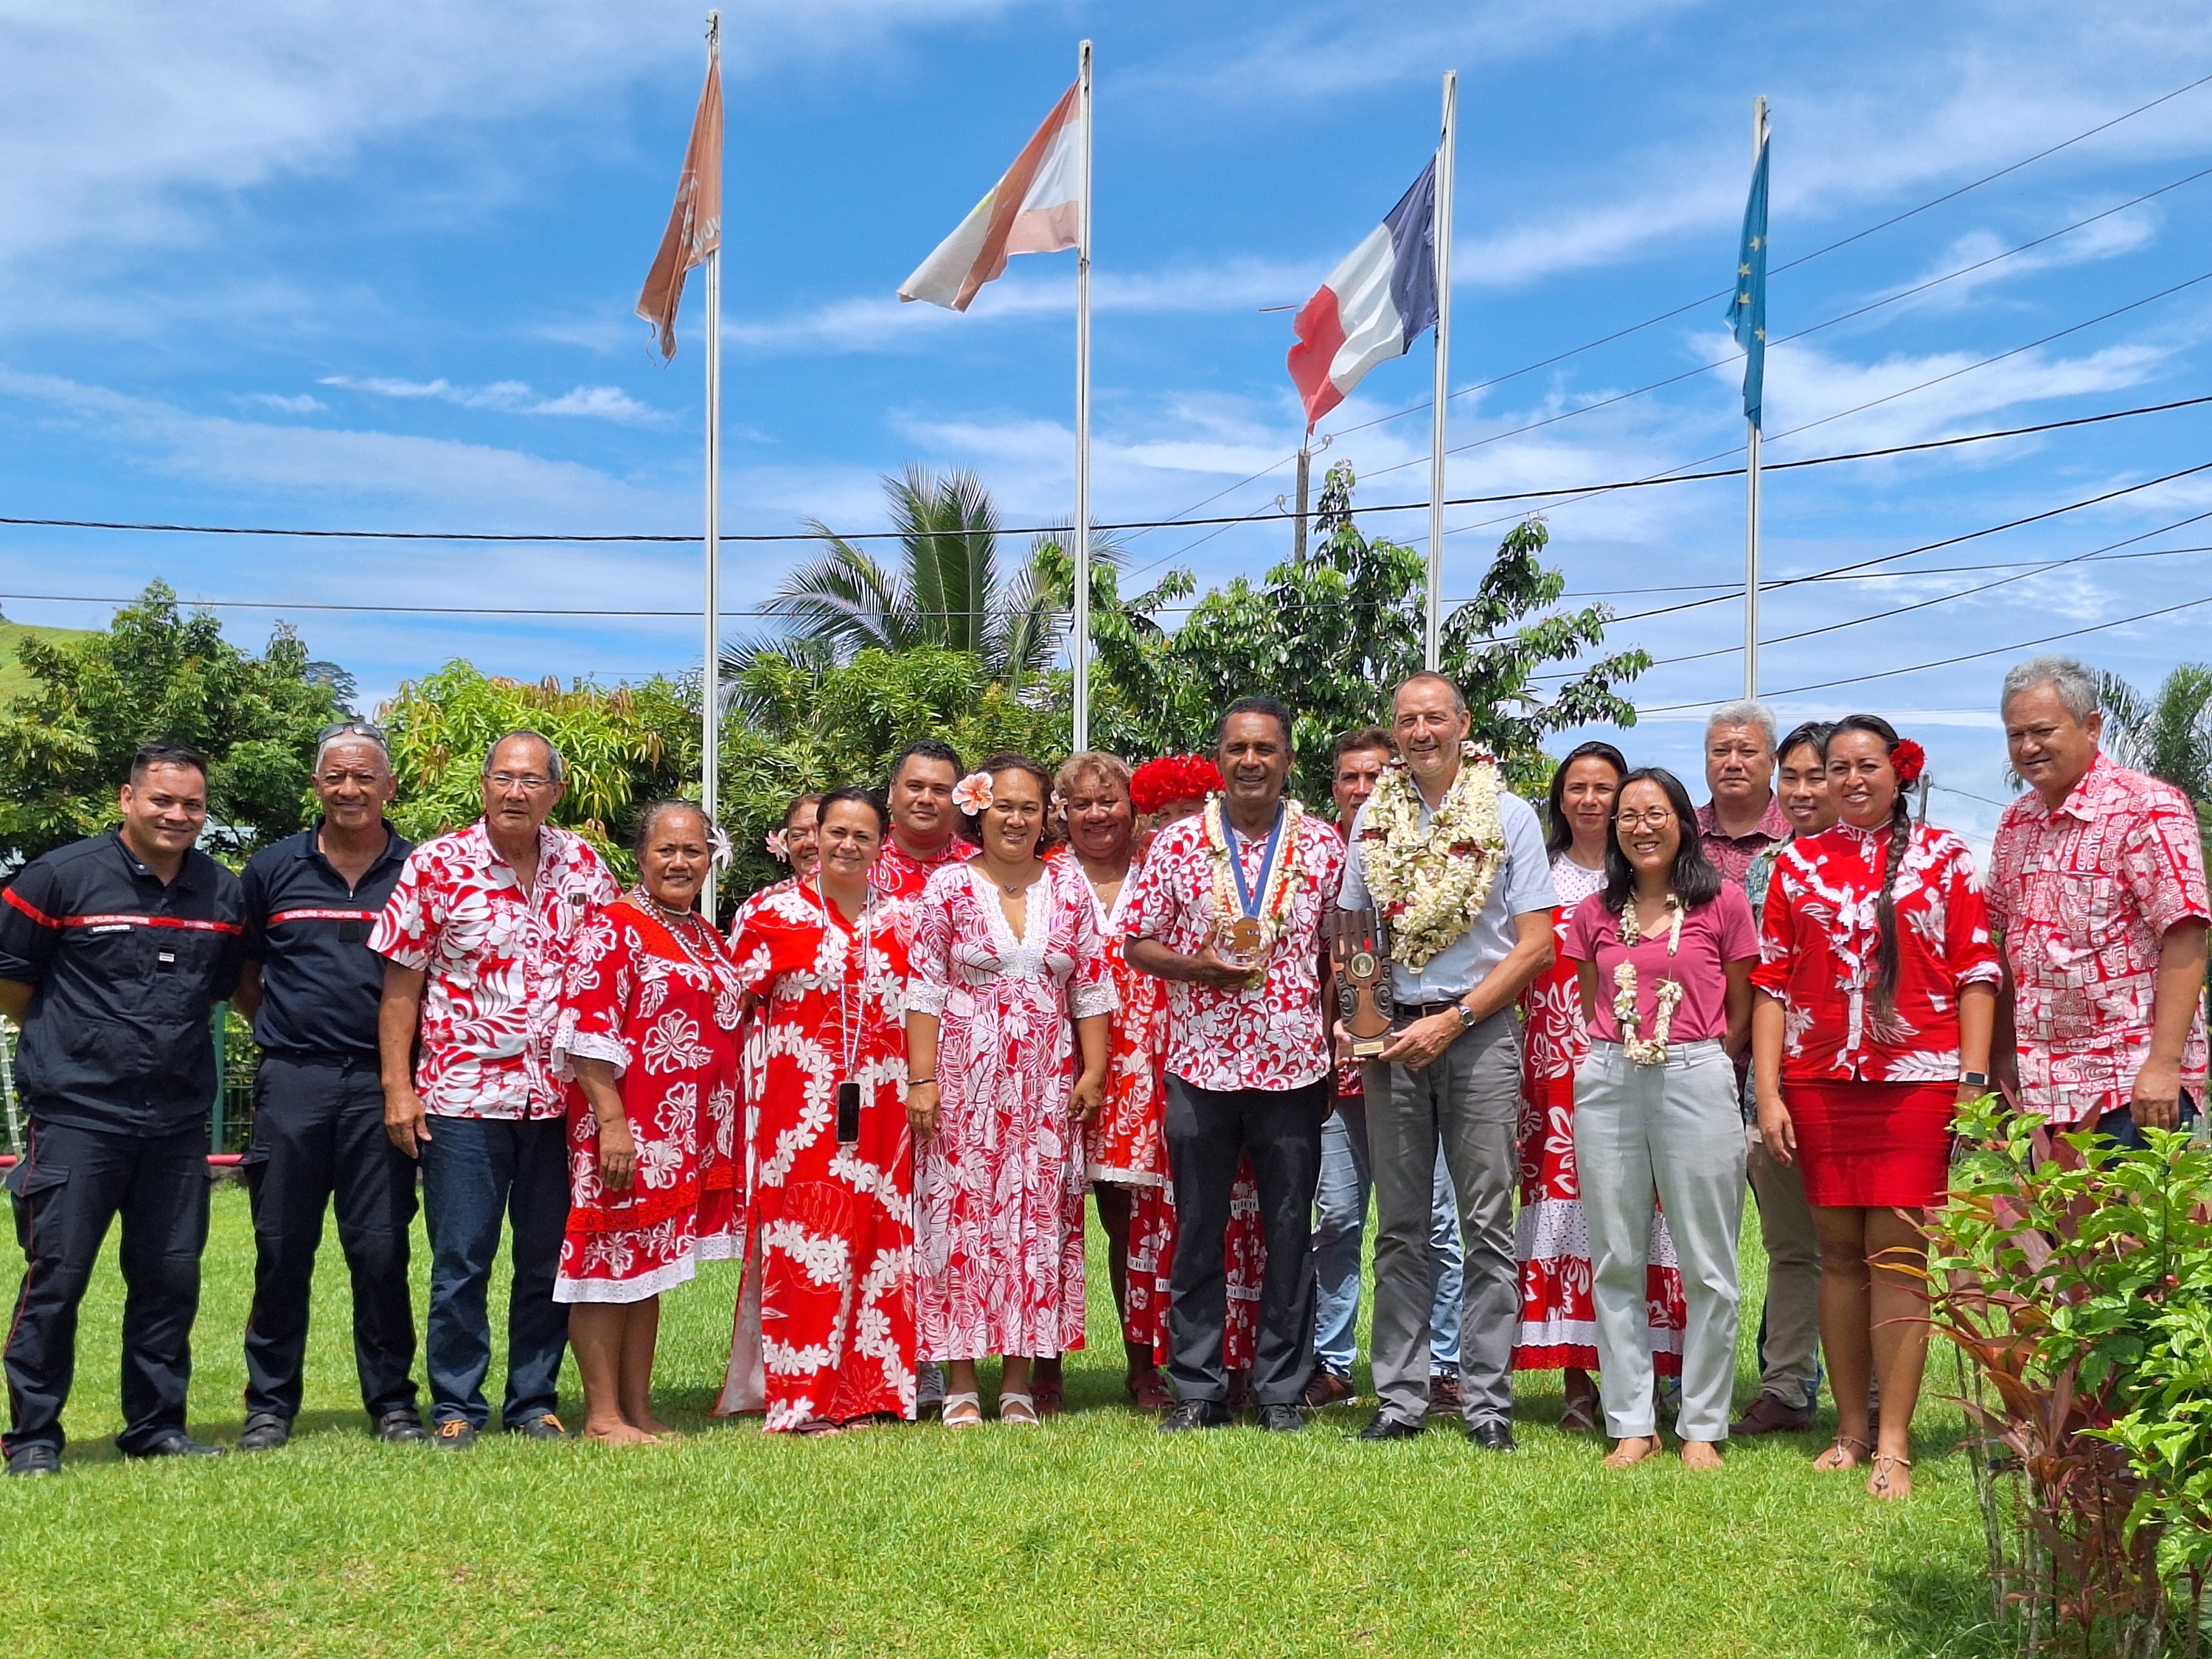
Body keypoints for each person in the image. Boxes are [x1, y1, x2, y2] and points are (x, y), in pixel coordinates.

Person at [1753, 715, 2000, 1500]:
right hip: (1818, 1081)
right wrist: (1768, 1091)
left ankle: (1894, 1440)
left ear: (1899, 771)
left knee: (1898, 1256)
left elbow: (1977, 971)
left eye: (1867, 766)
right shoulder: (1794, 864)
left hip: (1917, 1083)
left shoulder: (1945, 856)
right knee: (1836, 1255)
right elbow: (1771, 983)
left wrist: (1971, 1080)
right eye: (1838, 768)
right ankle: (1850, 1431)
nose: (1851, 780)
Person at [0, 742, 245, 1476]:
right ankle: (33, 1438)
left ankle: (156, 1426)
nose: (177, 815)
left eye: (192, 804)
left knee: (169, 1279)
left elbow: (221, 988)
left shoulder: (222, 893)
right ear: (127, 799)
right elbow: (12, 983)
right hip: (77, 1117)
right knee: (57, 1279)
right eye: (162, 800)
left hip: (176, 1121)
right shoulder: (58, 876)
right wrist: (72, 1045)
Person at [372, 729, 618, 1450]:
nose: (516, 792)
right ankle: (457, 1404)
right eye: (504, 778)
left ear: (556, 793)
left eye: (532, 781)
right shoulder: (436, 865)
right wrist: (397, 1087)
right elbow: (402, 984)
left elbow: (608, 971)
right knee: (462, 1259)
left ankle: (533, 1402)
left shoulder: (583, 866)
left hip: (559, 1100)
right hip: (463, 1099)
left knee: (546, 1260)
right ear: (483, 786)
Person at [1338, 673, 1556, 1447]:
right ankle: (1400, 1400)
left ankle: (1487, 1404)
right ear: (1395, 731)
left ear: (1463, 724)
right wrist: (1356, 1018)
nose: (1421, 732)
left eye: (1435, 718)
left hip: (1480, 1030)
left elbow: (1537, 944)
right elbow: (1353, 933)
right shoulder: (1373, 818)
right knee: (1400, 1228)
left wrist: (1456, 1020)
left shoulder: (1508, 814)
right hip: (1393, 1035)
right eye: (1408, 721)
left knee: (1486, 1225)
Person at [1126, 699, 1345, 1434]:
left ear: (1288, 761)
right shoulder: (1177, 844)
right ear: (1219, 759)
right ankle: (1198, 1388)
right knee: (1198, 1229)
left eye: (1266, 749)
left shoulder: (1323, 846)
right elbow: (1137, 943)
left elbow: (1341, 952)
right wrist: (1198, 967)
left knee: (1288, 1233)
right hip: (1200, 1065)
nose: (1251, 761)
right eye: (1238, 749)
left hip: (1294, 1069)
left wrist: (1337, 1028)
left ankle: (1282, 1389)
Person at [232, 721, 422, 1452]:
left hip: (383, 1085)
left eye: (364, 776)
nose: (350, 789)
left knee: (380, 1251)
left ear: (389, 786)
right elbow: (244, 974)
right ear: (316, 785)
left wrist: (399, 1075)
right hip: (294, 1080)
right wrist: (285, 1029)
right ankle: (269, 1406)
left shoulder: (420, 869)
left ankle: (393, 1403)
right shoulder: (271, 868)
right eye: (336, 776)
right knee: (282, 1248)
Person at [907, 753, 1113, 1426]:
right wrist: (922, 1080)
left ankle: (1019, 1382)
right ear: (978, 809)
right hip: (963, 1084)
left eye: (1029, 807)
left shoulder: (1070, 888)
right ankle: (962, 1380)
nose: (1017, 819)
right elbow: (923, 987)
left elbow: (1091, 986)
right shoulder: (947, 887)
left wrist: (1093, 1070)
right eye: (1004, 807)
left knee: (1036, 1223)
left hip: (1047, 1088)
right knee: (961, 1222)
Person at [1564, 767, 1759, 1470]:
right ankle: (1632, 1422)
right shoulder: (1595, 911)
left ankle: (1702, 1424)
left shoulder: (1723, 902)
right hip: (1610, 1076)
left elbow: (1741, 1006)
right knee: (1616, 1257)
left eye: (1655, 814)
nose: (1641, 827)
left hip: (1696, 1071)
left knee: (1708, 1263)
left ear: (1683, 822)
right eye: (1628, 816)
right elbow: (1592, 993)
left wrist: (1697, 1061)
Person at [718, 786, 916, 1432]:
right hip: (798, 1109)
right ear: (813, 836)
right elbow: (730, 1008)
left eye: (863, 835)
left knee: (877, 1240)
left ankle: (869, 1393)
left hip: (885, 1106)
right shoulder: (770, 913)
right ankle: (802, 1396)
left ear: (882, 843)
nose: (848, 845)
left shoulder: (905, 918)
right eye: (837, 832)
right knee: (808, 1245)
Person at [552, 801, 741, 1444]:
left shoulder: (702, 933)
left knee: (645, 1271)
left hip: (680, 1135)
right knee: (606, 1266)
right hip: (625, 1129)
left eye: (693, 851)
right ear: (640, 856)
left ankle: (638, 1408)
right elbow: (587, 1033)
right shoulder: (612, 928)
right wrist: (612, 1122)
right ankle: (603, 1416)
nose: (680, 862)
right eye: (667, 850)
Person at [1514, 740, 1686, 1429]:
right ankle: (1578, 1380)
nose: (1590, 800)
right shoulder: (1534, 873)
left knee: (1647, 1215)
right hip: (1553, 1071)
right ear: (1559, 800)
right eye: (1576, 788)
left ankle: (1657, 1373)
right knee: (1569, 1213)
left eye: (1604, 788)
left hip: (1643, 1060)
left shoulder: (1650, 875)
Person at [1307, 727, 1467, 1416]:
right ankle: (1332, 1362)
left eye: (1376, 776)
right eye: (1350, 777)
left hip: (1414, 1062)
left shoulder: (1427, 855)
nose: (1362, 789)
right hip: (1337, 1077)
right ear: (1335, 787)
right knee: (1338, 1219)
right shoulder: (1315, 859)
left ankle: (1443, 1366)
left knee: (1434, 1223)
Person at [1989, 655, 2210, 1146]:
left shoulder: (2147, 807)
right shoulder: (2015, 822)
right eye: (2015, 734)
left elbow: (2186, 932)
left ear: (2091, 727)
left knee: (2132, 1202)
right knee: (2043, 1203)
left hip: (2130, 1086)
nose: (2028, 747)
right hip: (2042, 1089)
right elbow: (2006, 946)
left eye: (2042, 731)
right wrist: (2001, 1062)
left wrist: (2164, 1064)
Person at [1730, 720, 1838, 1438]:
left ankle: (1871, 1396)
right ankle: (1787, 1388)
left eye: (1815, 777)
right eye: (1790, 777)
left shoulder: (1895, 862)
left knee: (1865, 1251)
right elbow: (1758, 984)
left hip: (1861, 1086)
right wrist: (1761, 1089)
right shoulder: (1767, 869)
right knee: (1792, 1250)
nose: (1801, 792)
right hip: (1775, 1087)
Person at [1058, 751, 1175, 1409]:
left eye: (1109, 801)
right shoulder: (1045, 874)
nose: (1097, 814)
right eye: (1082, 803)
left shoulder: (1161, 863)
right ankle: (1042, 1365)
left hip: (1145, 1069)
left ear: (1133, 808)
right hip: (1056, 1065)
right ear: (1063, 813)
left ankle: (1143, 1363)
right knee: (1047, 1220)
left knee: (1134, 1224)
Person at [1695, 701, 1791, 886]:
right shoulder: (1682, 831)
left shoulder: (1799, 831)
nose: (1733, 763)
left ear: (1772, 763)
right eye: (1721, 751)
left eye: (1747, 752)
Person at [874, 740, 966, 900]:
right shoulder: (858, 854)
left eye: (940, 790)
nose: (926, 799)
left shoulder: (981, 866)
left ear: (959, 798)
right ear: (892, 792)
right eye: (915, 787)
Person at [768, 793, 823, 886]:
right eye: (798, 835)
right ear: (786, 844)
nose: (810, 841)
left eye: (820, 831)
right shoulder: (776, 895)